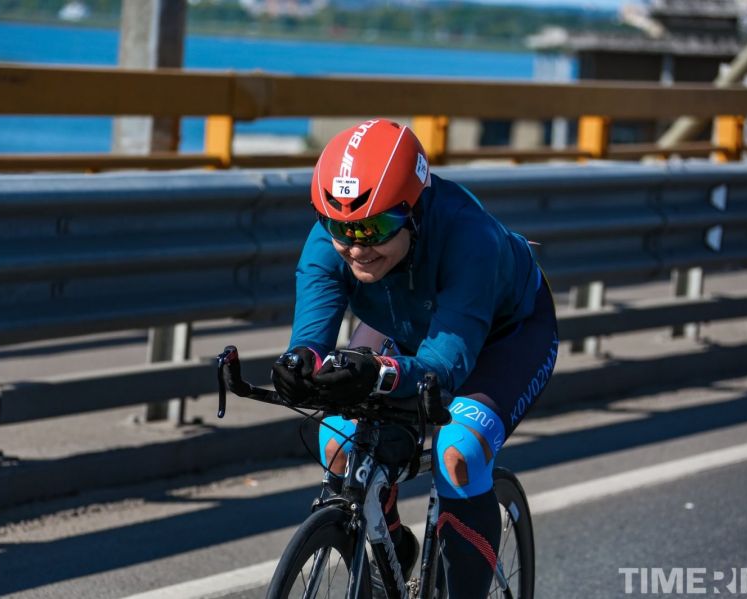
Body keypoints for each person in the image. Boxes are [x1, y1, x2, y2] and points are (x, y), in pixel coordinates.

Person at [230, 118, 558, 597]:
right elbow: (312, 340)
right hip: (407, 322)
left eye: (376, 227)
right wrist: (300, 366)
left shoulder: (470, 240)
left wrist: (378, 373)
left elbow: (444, 368)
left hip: (503, 338)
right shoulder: (334, 236)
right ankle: (393, 544)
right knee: (338, 439)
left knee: (457, 452)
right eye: (341, 228)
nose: (357, 247)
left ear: (415, 210)